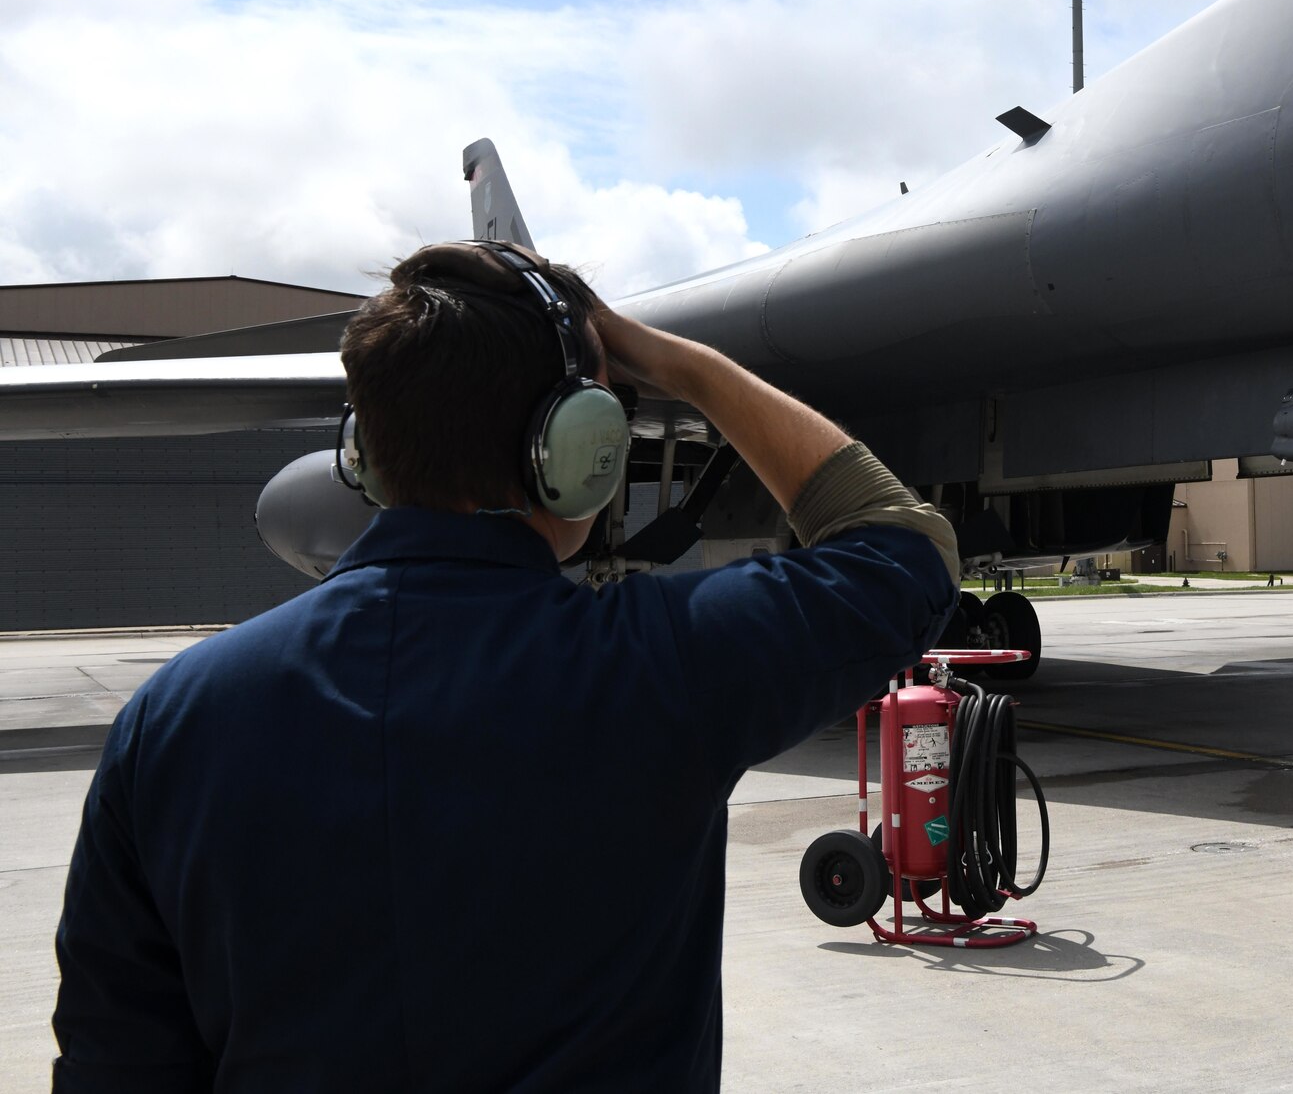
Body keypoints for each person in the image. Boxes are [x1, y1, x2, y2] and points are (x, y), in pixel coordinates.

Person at [50, 241, 958, 1092]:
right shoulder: (664, 665)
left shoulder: (170, 718)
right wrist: (681, 365)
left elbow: (113, 1057)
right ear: (574, 454)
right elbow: (905, 551)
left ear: (362, 449)